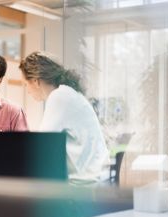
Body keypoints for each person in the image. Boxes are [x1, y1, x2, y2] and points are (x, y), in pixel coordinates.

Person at [19, 51, 109, 182]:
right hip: (94, 178)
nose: (26, 90)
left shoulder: (59, 96)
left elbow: (43, 145)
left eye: (25, 84)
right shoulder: (67, 93)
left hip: (86, 183)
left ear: (36, 81)